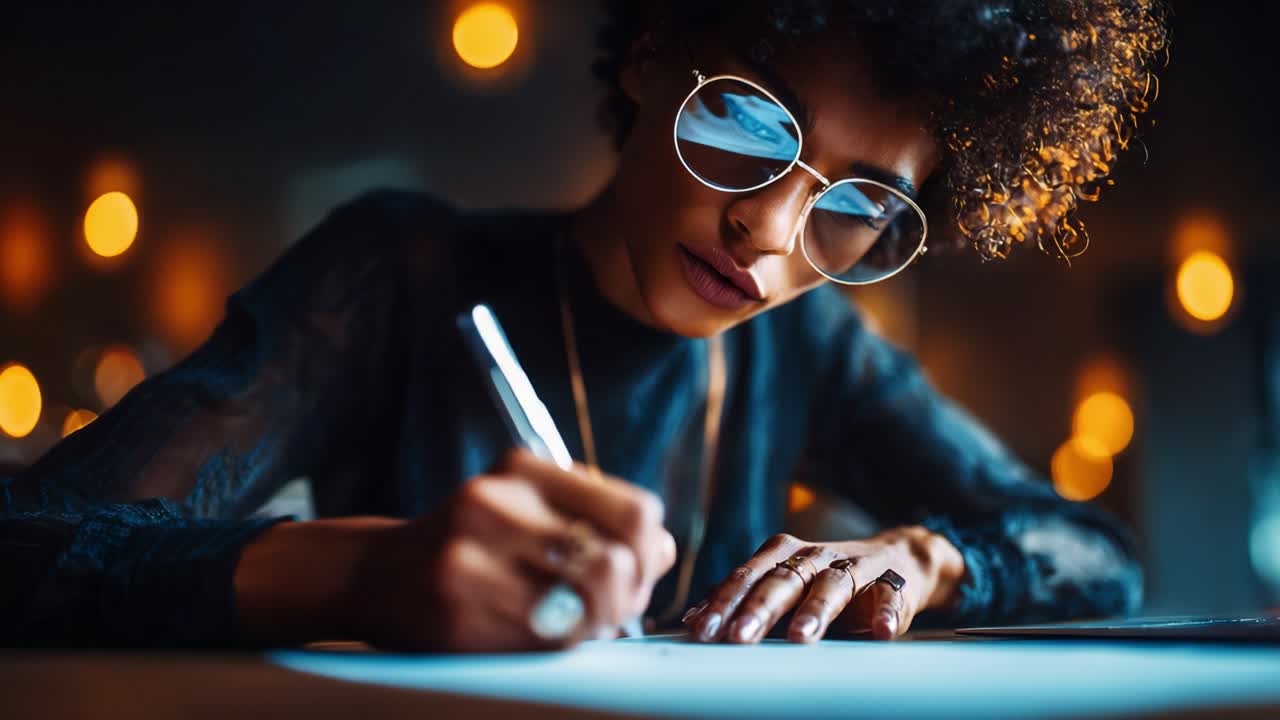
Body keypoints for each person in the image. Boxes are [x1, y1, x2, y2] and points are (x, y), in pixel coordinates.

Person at [0, 0, 1167, 651]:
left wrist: (924, 556)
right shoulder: (397, 274)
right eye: (751, 130)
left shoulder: (803, 349)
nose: (768, 229)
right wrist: (357, 575)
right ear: (654, 53)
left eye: (857, 205)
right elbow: (24, 551)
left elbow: (1100, 557)